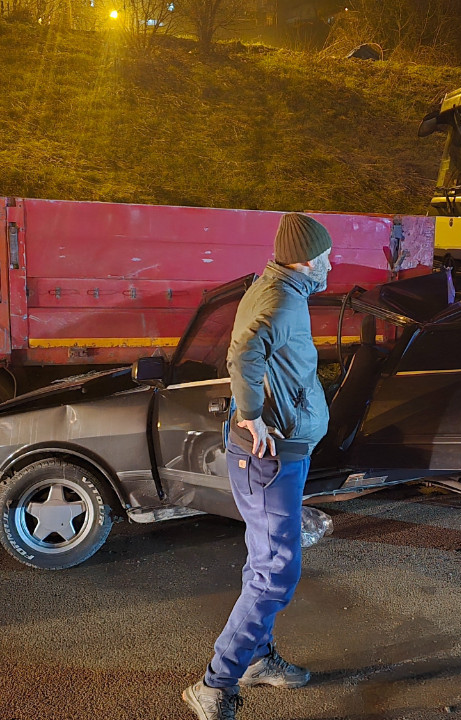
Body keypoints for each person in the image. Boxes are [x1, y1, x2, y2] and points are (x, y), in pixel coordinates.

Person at [182, 213, 334, 720]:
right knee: (275, 573)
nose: (332, 264)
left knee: (263, 558)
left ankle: (256, 659)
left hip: (277, 451)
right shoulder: (281, 298)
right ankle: (214, 684)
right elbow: (245, 351)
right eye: (328, 256)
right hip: (268, 456)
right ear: (308, 259)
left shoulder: (277, 286)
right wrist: (251, 416)